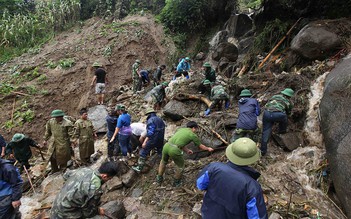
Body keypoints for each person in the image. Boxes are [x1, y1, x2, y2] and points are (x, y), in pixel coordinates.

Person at [196, 138, 267, 219]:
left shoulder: (214, 167)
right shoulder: (252, 186)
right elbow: (256, 216)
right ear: (252, 159)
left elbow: (200, 184)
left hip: (208, 213)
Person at [50, 161, 118, 219]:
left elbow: (66, 175)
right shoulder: (95, 189)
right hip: (64, 214)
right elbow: (88, 212)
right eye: (109, 179)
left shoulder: (85, 170)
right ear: (104, 176)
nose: (109, 180)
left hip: (55, 206)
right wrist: (98, 210)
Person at [156, 121, 214, 187]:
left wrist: (187, 150)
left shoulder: (181, 129)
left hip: (166, 146)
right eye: (196, 129)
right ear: (194, 128)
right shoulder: (192, 135)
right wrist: (208, 149)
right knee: (181, 166)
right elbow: (200, 146)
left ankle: (159, 178)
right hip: (174, 150)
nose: (196, 131)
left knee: (163, 161)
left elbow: (179, 142)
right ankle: (176, 182)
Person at [260, 88, 294, 156]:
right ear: (289, 96)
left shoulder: (274, 96)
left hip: (267, 114)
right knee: (284, 117)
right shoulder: (289, 102)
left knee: (265, 132)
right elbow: (289, 113)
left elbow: (268, 103)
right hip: (278, 115)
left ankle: (263, 151)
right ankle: (281, 131)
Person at [132, 108, 165, 173]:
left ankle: (139, 167)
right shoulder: (160, 119)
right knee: (160, 150)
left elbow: (150, 133)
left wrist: (144, 142)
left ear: (149, 114)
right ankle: (163, 163)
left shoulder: (150, 120)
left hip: (153, 139)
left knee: (143, 151)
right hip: (161, 138)